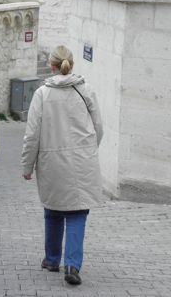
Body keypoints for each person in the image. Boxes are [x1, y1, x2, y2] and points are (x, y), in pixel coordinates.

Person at [21, 45, 103, 286]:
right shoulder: (86, 90)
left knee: (53, 209)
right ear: (72, 65)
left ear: (52, 66)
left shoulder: (42, 94)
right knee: (78, 212)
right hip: (82, 161)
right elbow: (99, 127)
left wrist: (27, 166)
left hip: (51, 160)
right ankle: (73, 265)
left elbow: (32, 134)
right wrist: (88, 150)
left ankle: (52, 258)